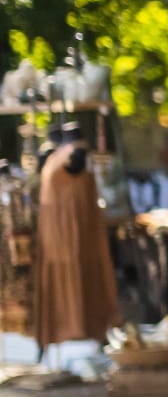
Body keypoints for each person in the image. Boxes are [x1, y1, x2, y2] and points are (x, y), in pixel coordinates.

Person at [34, 123, 117, 352]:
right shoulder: (56, 153)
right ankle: (58, 334)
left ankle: (84, 331)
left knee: (82, 278)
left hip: (75, 233)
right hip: (54, 234)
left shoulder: (78, 153)